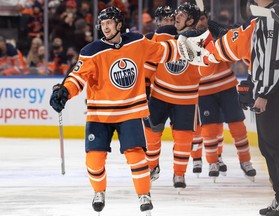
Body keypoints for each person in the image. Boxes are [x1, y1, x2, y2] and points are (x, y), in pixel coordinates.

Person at [49, 6, 190, 215]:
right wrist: (65, 92)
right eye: (102, 24)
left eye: (109, 23)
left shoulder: (137, 42)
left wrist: (189, 43)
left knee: (137, 157)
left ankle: (144, 195)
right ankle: (99, 192)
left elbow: (163, 52)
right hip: (100, 114)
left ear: (119, 24)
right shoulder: (91, 51)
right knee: (94, 159)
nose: (105, 27)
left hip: (130, 111)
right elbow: (77, 78)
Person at [194, 0, 279, 215]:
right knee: (269, 148)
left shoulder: (272, 16)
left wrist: (262, 92)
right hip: (272, 89)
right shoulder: (267, 16)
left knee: (277, 147)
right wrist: (218, 28)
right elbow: (251, 41)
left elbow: (272, 60)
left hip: (275, 92)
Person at [144, 2, 216, 189]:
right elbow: (152, 59)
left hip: (186, 98)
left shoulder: (203, 39)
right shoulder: (163, 33)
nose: (176, 16)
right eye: (177, 13)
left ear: (191, 20)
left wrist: (204, 56)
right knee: (151, 134)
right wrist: (145, 83)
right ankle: (152, 167)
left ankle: (179, 174)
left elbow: (206, 71)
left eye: (182, 15)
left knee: (183, 138)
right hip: (159, 94)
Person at [189, 10, 256, 181]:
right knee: (210, 130)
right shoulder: (188, 40)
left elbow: (234, 56)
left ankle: (246, 161)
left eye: (203, 18)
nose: (201, 23)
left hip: (227, 86)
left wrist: (224, 35)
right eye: (198, 19)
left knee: (238, 127)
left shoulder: (216, 34)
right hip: (204, 92)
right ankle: (213, 162)